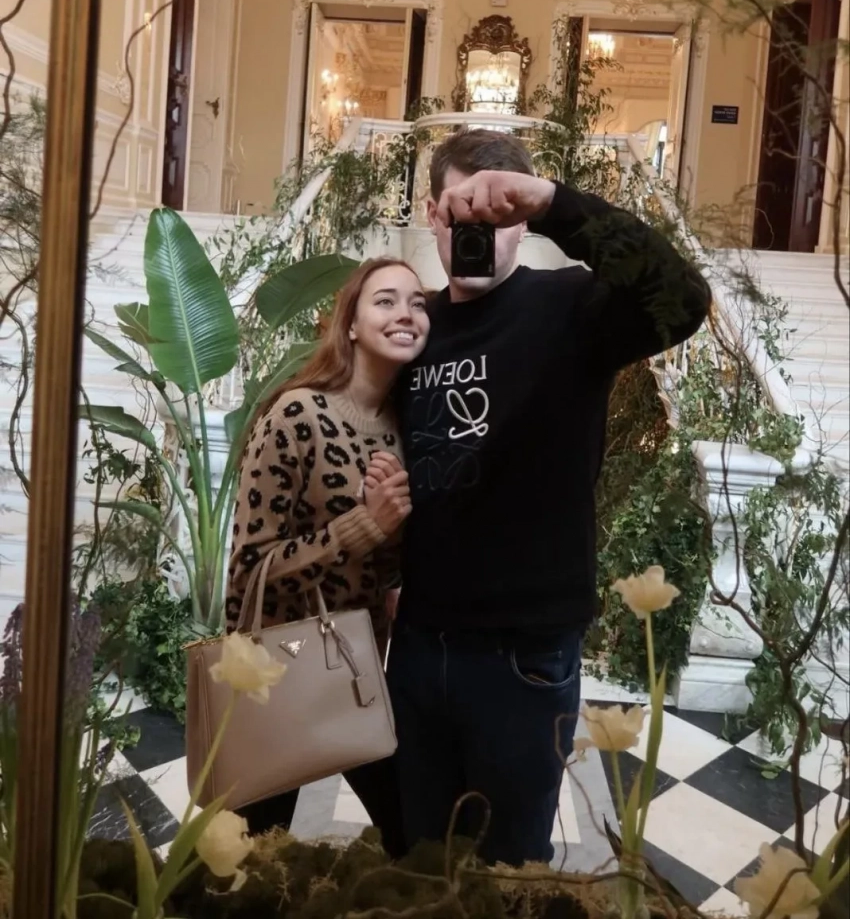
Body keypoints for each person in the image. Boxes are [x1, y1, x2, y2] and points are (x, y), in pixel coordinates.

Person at [373, 129, 712, 868]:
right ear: (431, 214)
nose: (478, 234)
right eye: (460, 214)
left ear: (521, 222)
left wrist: (557, 203)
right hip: (419, 645)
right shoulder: (413, 328)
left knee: (510, 872)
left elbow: (683, 297)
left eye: (498, 215)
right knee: (416, 862)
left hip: (523, 657)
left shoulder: (571, 308)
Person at [225, 257, 430, 857]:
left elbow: (385, 563)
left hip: (359, 673)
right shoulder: (297, 414)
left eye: (418, 303)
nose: (405, 314)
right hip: (281, 679)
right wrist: (364, 525)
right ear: (351, 325)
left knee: (413, 839)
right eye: (386, 301)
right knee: (249, 859)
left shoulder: (405, 429)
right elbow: (250, 572)